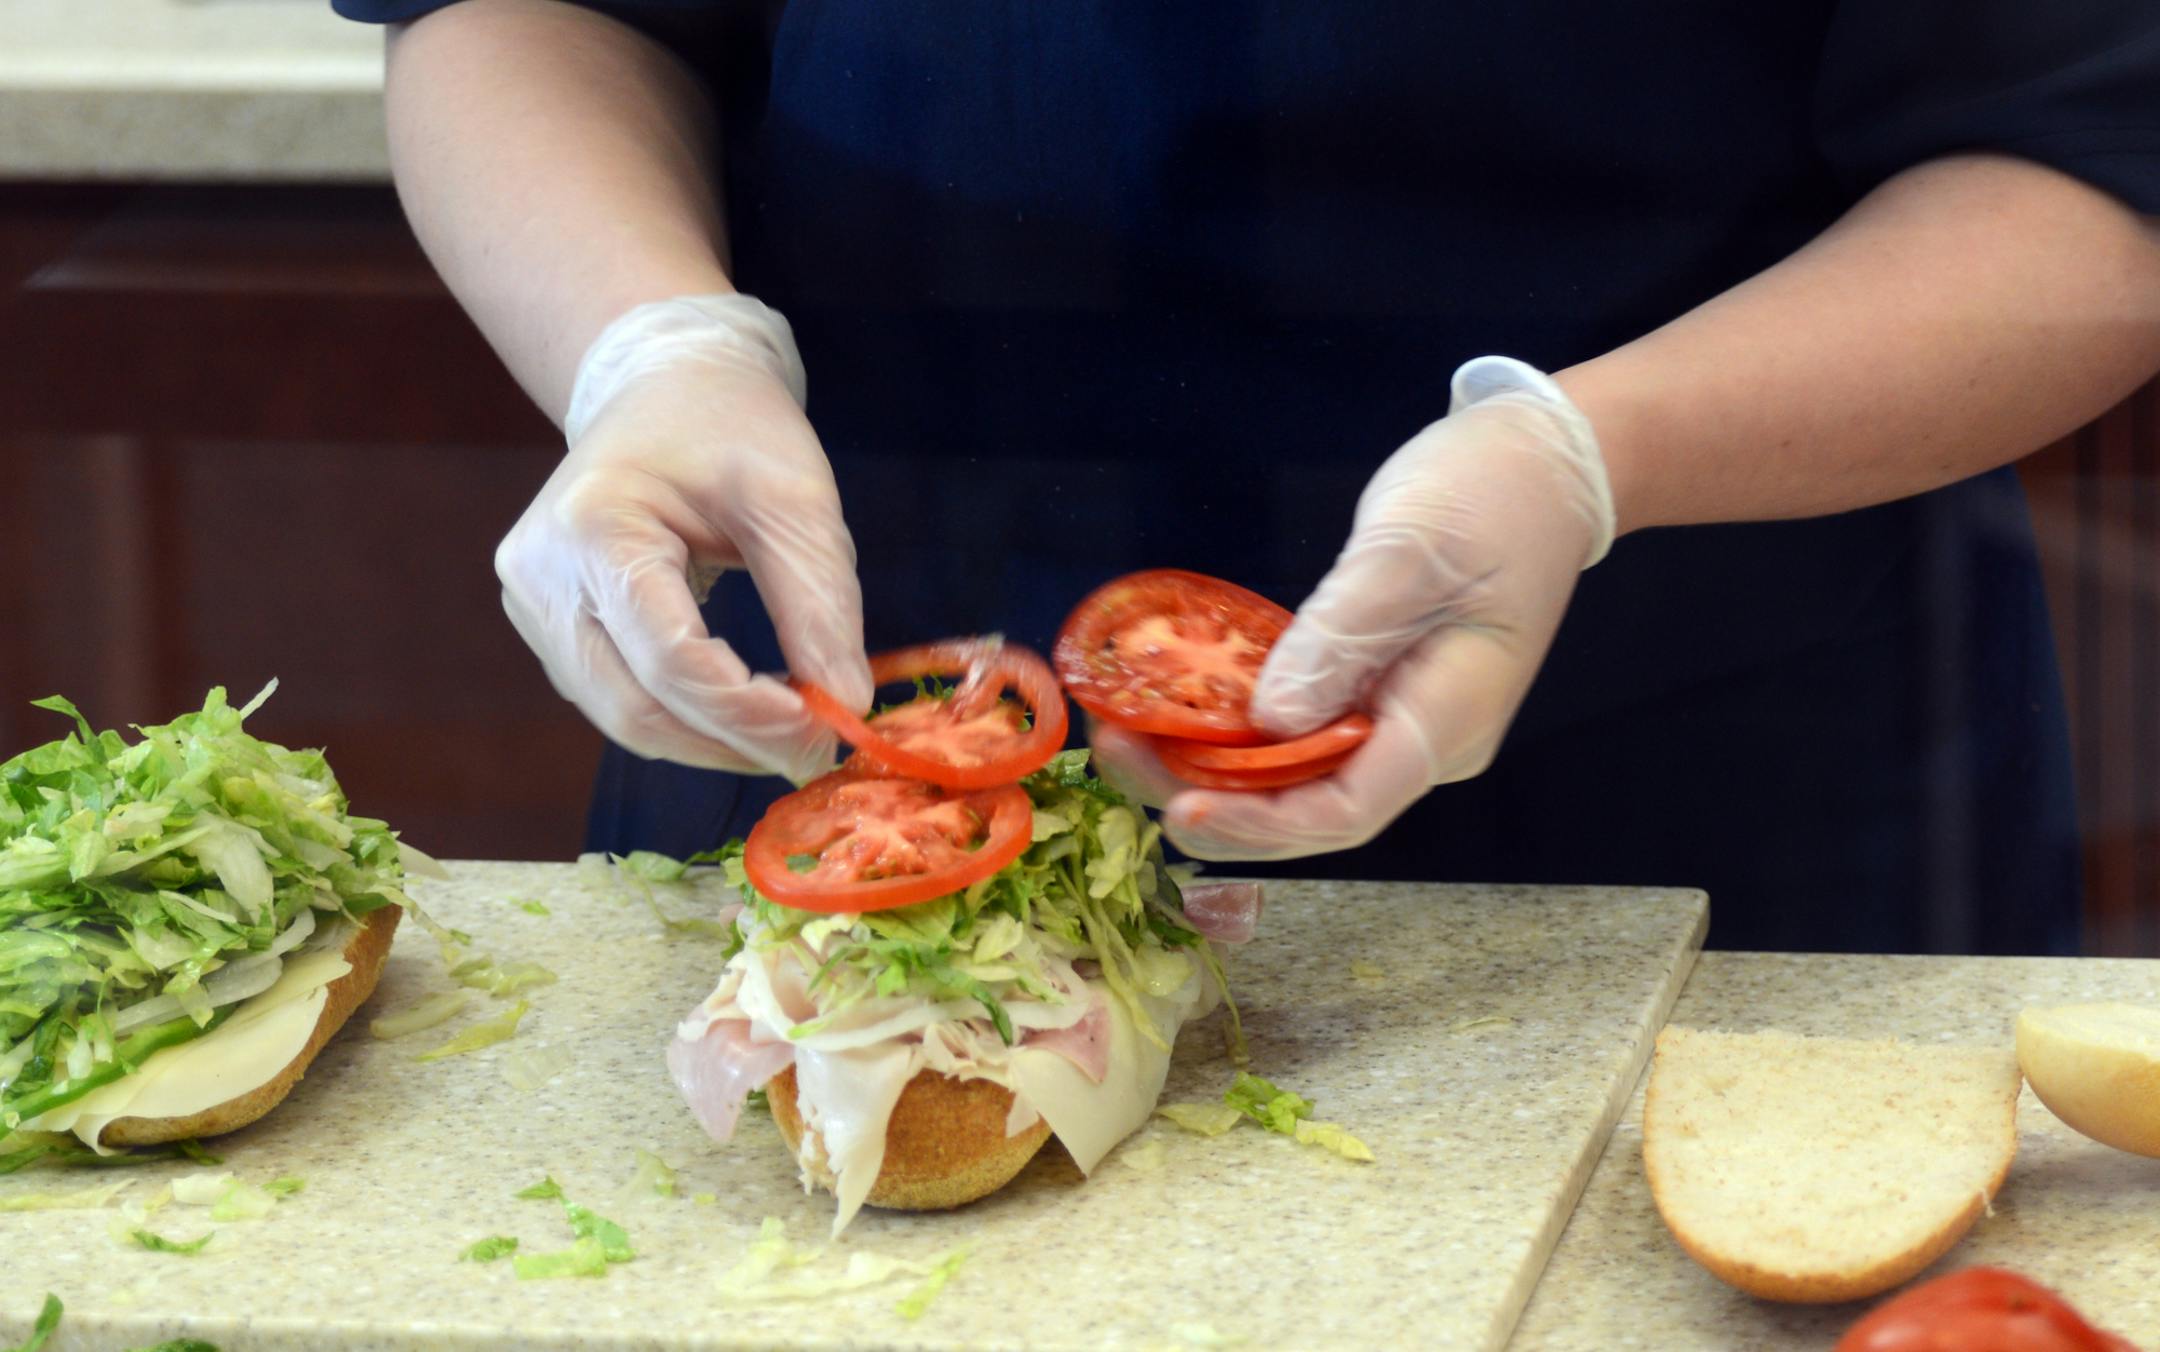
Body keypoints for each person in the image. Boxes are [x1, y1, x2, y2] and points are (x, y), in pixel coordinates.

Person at [335, 0, 2160, 954]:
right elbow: (524, 2)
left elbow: (2084, 166)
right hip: (857, 748)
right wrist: (647, 348)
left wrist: (1585, 455)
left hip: (1710, 758)